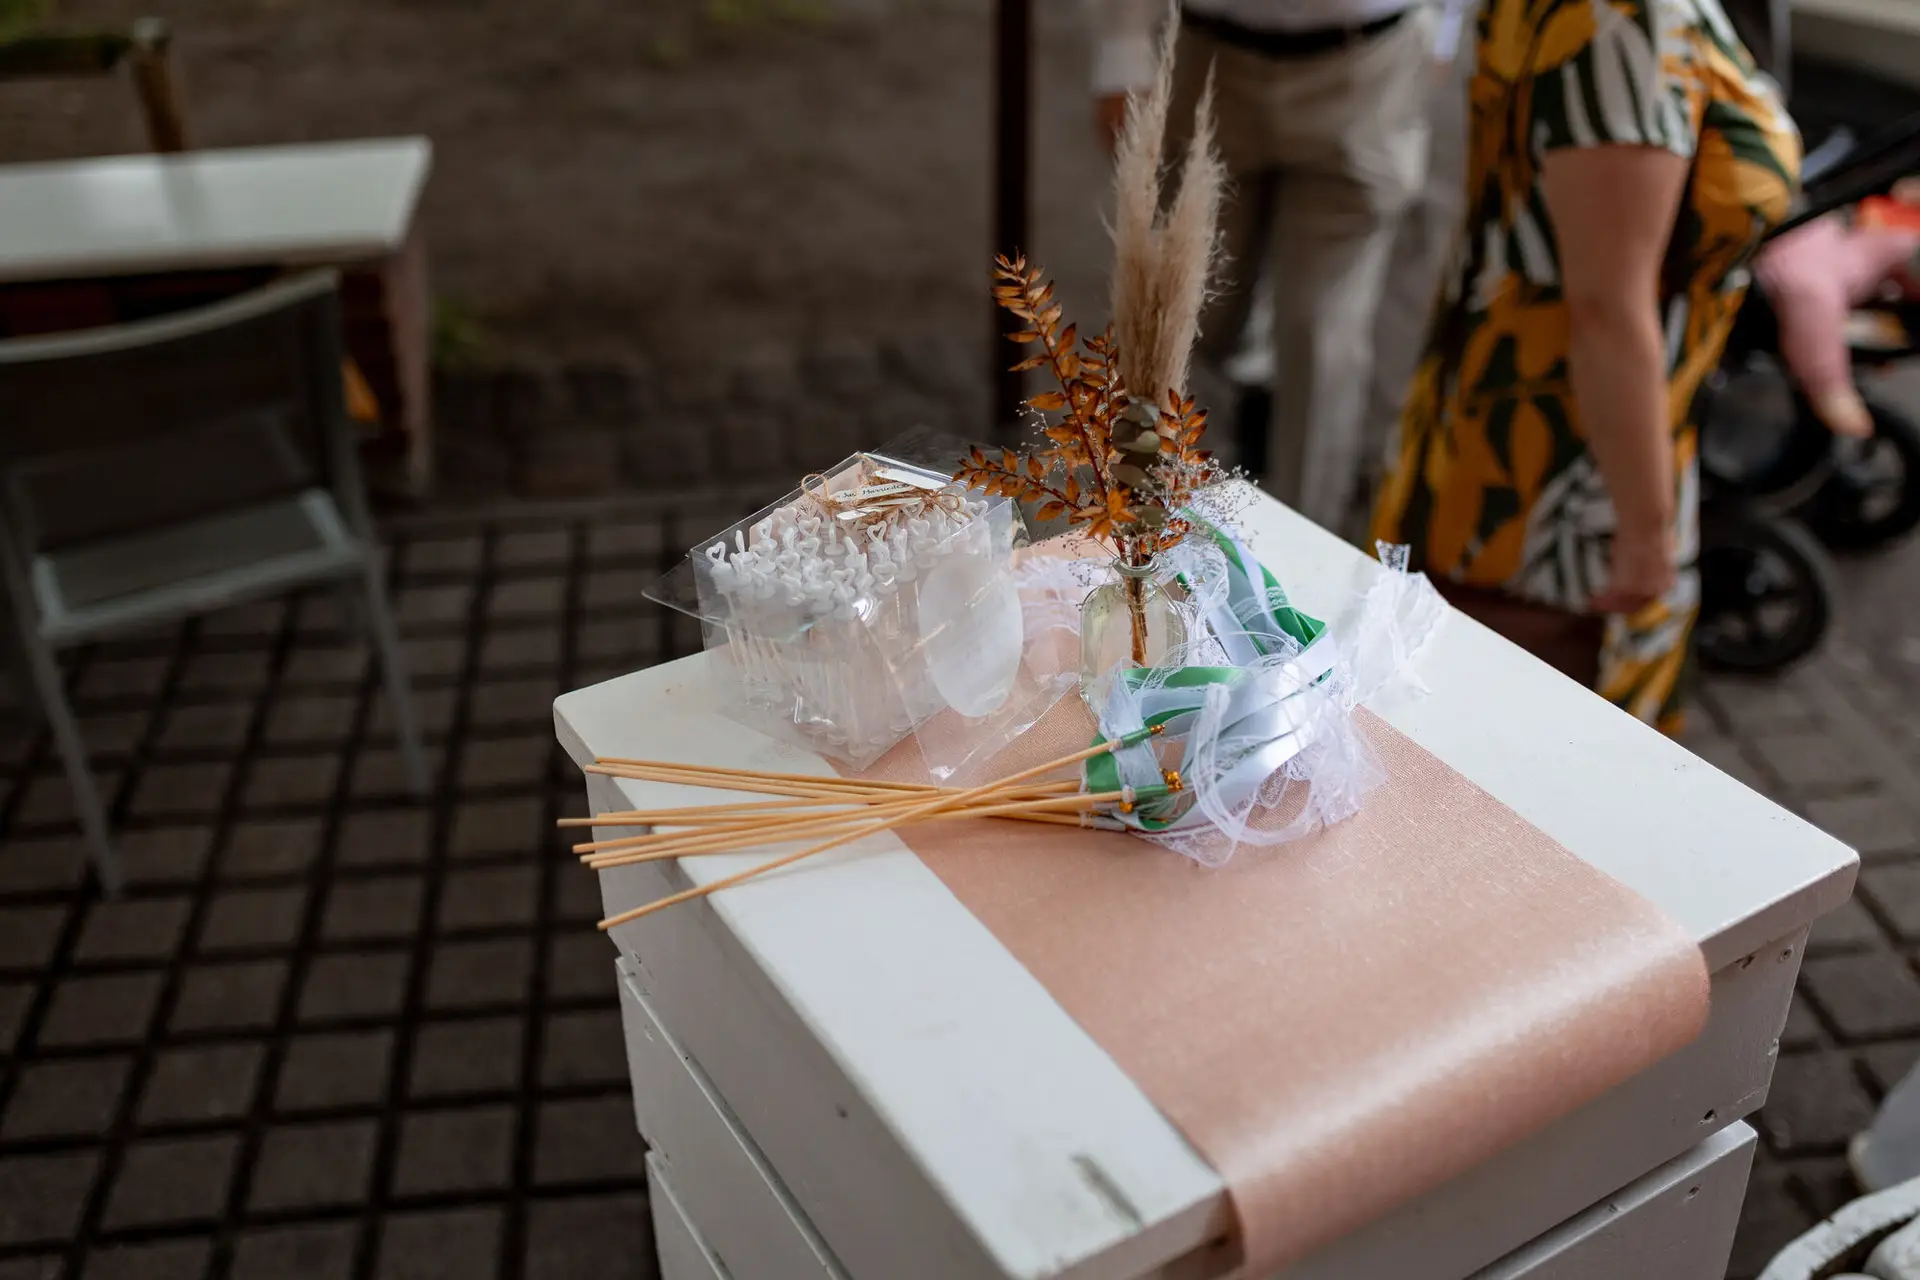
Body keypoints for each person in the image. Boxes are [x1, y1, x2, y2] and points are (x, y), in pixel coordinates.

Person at [1369, 0, 1801, 734]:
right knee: (1540, 778)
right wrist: (1644, 528)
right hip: (1562, 485)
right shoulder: (1625, 22)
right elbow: (1605, 303)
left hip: (1552, 435)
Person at [1087, 0, 1436, 532]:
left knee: (1321, 335)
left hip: (1367, 67)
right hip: (1210, 56)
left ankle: (1302, 559)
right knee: (1192, 311)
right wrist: (1123, 52)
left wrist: (1448, 31)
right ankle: (1253, 374)